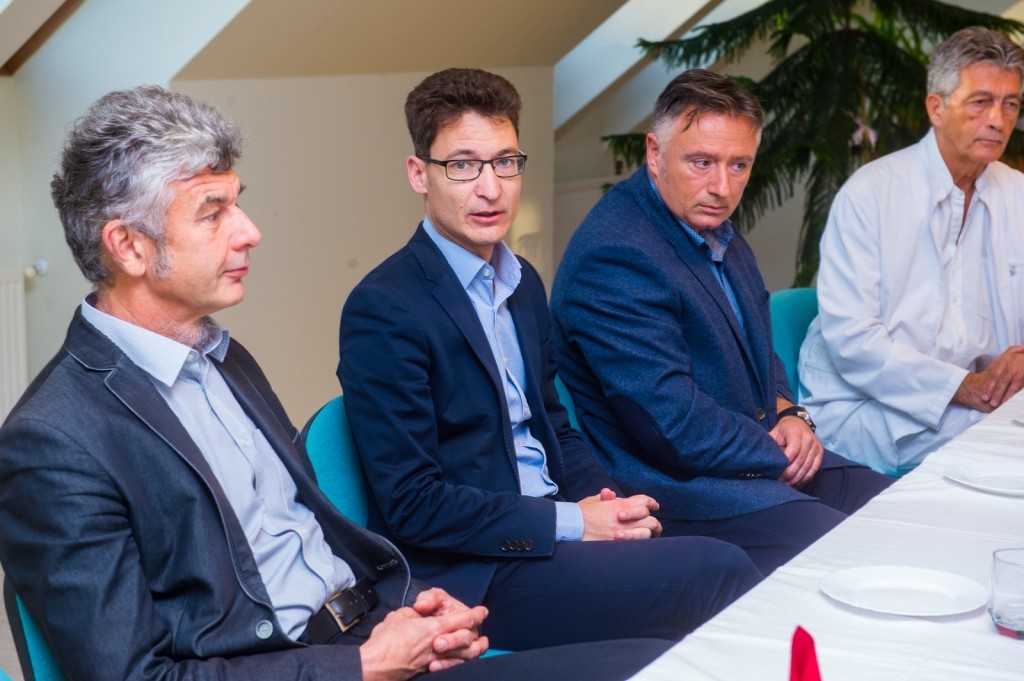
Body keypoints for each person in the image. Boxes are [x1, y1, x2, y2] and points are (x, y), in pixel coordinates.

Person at [0, 85, 674, 681]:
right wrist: (362, 665)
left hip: (366, 635)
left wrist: (407, 608)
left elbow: (311, 541)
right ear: (128, 246)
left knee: (659, 663)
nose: (250, 232)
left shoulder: (222, 357)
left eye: (239, 204)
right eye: (212, 212)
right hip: (335, 665)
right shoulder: (53, 442)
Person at [337, 68, 761, 651]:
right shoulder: (384, 307)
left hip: (553, 529)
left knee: (716, 549)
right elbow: (415, 504)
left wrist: (607, 505)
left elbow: (554, 426)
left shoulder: (522, 283)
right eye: (463, 165)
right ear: (419, 174)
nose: (491, 189)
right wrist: (574, 522)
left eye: (505, 162)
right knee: (720, 570)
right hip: (475, 569)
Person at [550, 69, 892, 577]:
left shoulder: (708, 223)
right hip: (678, 488)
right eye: (702, 162)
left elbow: (758, 346)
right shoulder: (616, 254)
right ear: (653, 153)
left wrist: (791, 413)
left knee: (900, 509)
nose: (721, 187)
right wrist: (777, 449)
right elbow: (673, 425)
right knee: (853, 553)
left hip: (747, 454)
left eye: (739, 165)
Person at [798, 27, 1024, 477]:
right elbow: (854, 343)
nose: (998, 120)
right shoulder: (870, 195)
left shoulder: (1017, 192)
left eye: (1011, 104)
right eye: (980, 102)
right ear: (935, 108)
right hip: (868, 406)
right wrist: (967, 387)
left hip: (982, 401)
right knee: (1008, 448)